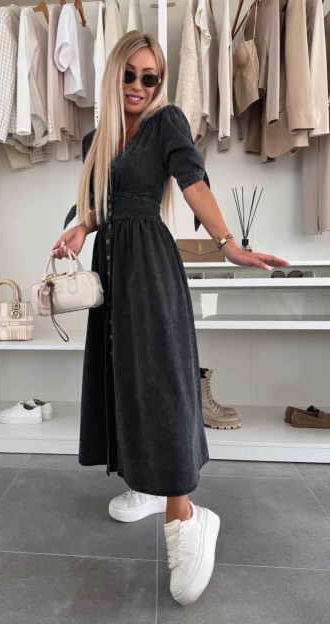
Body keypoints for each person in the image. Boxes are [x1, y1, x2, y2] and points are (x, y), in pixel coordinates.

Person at [52, 30, 289, 606]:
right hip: (110, 270)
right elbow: (96, 204)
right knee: (122, 376)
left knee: (160, 382)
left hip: (150, 266)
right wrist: (79, 228)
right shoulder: (96, 138)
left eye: (149, 77)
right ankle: (145, 479)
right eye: (129, 74)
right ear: (114, 74)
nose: (138, 85)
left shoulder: (167, 123)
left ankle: (185, 515)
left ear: (159, 82)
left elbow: (192, 181)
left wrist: (229, 244)